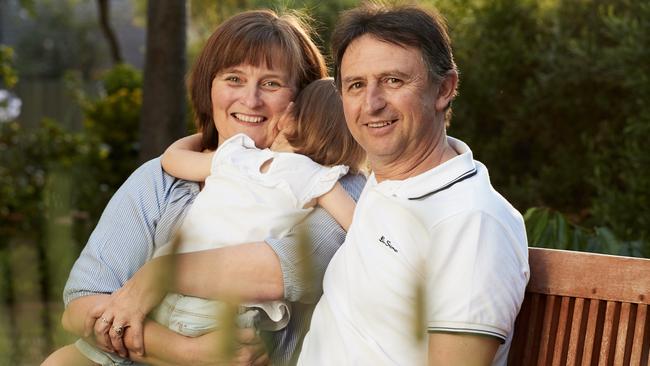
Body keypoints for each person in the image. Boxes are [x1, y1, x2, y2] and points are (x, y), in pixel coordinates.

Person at [43, 9, 366, 366]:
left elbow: (291, 269)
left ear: (301, 102)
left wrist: (157, 276)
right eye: (233, 78)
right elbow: (81, 305)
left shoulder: (337, 181)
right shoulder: (160, 181)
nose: (251, 99)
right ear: (208, 86)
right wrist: (189, 352)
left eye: (271, 83)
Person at [296, 3, 529, 365]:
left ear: (444, 89)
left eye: (393, 81)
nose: (371, 103)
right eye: (356, 85)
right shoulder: (389, 182)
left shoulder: (471, 221)